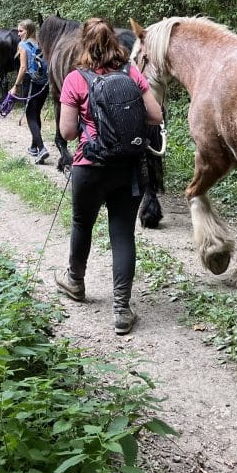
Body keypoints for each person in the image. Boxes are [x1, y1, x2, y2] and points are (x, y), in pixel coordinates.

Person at [55, 18, 163, 335]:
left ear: (83, 45)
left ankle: (75, 281)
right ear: (117, 43)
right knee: (122, 234)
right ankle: (121, 310)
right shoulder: (132, 73)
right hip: (129, 169)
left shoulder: (75, 79)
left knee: (81, 224)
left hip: (89, 168)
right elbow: (156, 116)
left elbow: (67, 131)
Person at [11, 18, 50, 163]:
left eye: (21, 31)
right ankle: (34, 147)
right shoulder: (41, 43)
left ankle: (42, 148)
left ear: (28, 30)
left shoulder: (23, 45)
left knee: (30, 116)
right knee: (36, 113)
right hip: (43, 84)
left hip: (31, 83)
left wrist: (16, 86)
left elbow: (23, 68)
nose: (19, 34)